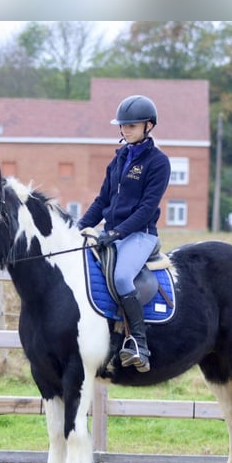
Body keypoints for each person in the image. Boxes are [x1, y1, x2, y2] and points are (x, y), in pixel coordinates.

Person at [77, 95, 171, 373]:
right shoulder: (118, 159)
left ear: (149, 126)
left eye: (131, 125)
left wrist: (116, 232)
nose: (125, 130)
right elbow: (102, 200)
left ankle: (138, 342)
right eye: (123, 125)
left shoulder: (158, 162)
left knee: (120, 276)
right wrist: (80, 227)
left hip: (140, 234)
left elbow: (145, 209)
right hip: (112, 233)